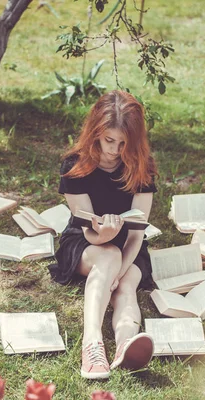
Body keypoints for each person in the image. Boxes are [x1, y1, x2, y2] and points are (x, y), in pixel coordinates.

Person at [48, 90, 158, 380]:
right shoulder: (75, 165)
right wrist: (103, 236)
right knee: (107, 254)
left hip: (129, 246)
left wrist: (119, 274)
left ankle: (126, 343)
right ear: (96, 131)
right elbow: (86, 227)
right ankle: (92, 343)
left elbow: (137, 233)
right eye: (109, 140)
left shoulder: (142, 166)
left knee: (127, 285)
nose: (114, 150)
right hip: (86, 243)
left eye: (123, 143)